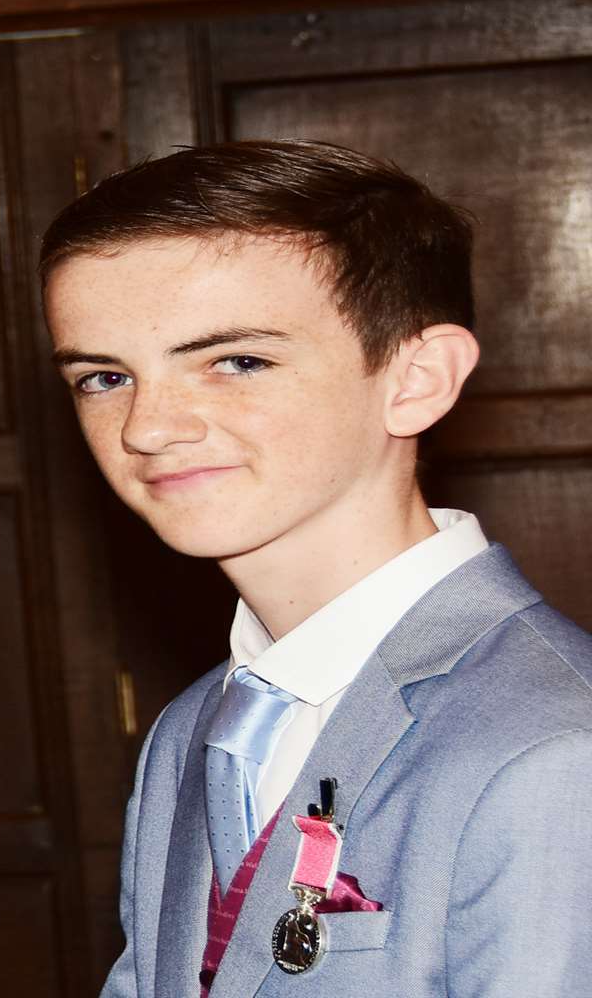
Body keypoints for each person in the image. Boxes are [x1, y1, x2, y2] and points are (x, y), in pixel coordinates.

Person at [40, 140, 592, 997]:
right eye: (105, 376)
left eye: (236, 361)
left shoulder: (556, 749)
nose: (148, 426)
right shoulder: (190, 731)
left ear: (416, 380)